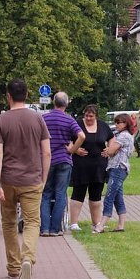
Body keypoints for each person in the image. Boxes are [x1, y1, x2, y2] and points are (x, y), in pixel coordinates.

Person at [0, 79, 51, 279]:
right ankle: (28, 257)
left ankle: (13, 266)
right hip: (32, 179)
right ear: (26, 95)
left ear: (8, 96)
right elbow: (47, 152)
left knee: (8, 223)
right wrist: (43, 178)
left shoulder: (1, 120)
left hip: (8, 179)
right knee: (32, 222)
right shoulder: (38, 119)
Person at [39, 92, 86, 237]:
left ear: (54, 102)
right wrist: (72, 150)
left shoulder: (43, 118)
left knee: (46, 194)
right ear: (66, 104)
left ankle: (45, 228)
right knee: (60, 194)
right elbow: (82, 136)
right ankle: (55, 229)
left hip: (47, 160)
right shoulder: (69, 120)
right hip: (64, 160)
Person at [68, 105, 115, 232]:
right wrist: (75, 150)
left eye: (91, 116)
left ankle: (96, 222)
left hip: (98, 166)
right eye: (86, 116)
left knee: (96, 195)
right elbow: (68, 140)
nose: (88, 118)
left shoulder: (103, 126)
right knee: (78, 193)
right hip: (81, 165)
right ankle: (73, 223)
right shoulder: (77, 125)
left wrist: (109, 149)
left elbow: (111, 138)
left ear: (96, 116)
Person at [94, 113, 134, 233]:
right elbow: (111, 149)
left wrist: (110, 150)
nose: (116, 124)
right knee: (118, 197)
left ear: (126, 123)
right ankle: (121, 225)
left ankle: (101, 224)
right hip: (115, 168)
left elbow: (110, 151)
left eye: (119, 122)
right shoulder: (120, 135)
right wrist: (111, 150)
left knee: (109, 196)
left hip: (118, 168)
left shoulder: (124, 136)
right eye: (116, 122)